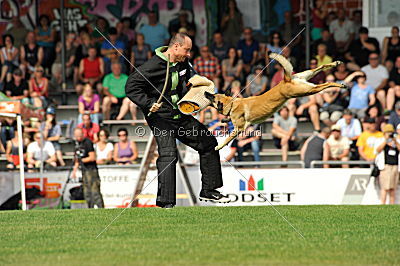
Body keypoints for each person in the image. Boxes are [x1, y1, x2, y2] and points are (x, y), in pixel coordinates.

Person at [125, 33, 230, 208]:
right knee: (169, 154)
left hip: (180, 115)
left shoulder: (183, 63)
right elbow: (131, 86)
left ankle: (209, 191)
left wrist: (203, 87)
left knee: (209, 143)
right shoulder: (152, 65)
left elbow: (191, 78)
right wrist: (148, 103)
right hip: (160, 119)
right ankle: (166, 203)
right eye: (186, 50)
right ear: (175, 47)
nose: (188, 54)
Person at [71, 127, 104, 208]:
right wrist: (74, 171)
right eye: (76, 136)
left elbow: (92, 157)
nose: (78, 137)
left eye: (79, 135)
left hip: (91, 170)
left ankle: (101, 208)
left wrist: (81, 160)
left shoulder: (87, 142)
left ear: (82, 134)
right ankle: (89, 208)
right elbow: (77, 160)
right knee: (86, 192)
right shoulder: (77, 144)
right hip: (84, 170)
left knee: (95, 191)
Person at [374, 124, 400, 204]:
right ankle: (383, 204)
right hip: (385, 166)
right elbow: (377, 150)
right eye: (388, 132)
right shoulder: (380, 140)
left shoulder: (396, 141)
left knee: (393, 188)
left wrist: (394, 140)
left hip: (395, 166)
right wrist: (386, 141)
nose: (389, 134)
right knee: (384, 187)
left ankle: (392, 205)